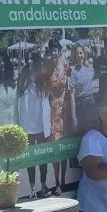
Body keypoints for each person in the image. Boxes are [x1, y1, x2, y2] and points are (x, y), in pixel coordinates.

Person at [17, 55, 51, 197]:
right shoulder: (23, 89)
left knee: (43, 159)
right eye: (30, 70)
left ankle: (43, 186)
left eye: (34, 70)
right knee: (30, 160)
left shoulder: (43, 86)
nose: (32, 73)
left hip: (41, 127)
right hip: (28, 129)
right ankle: (32, 189)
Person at [47, 47, 74, 194]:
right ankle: (56, 182)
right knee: (55, 152)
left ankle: (63, 180)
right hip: (53, 113)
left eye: (56, 49)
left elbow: (70, 88)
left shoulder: (65, 65)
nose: (54, 52)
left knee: (63, 151)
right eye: (52, 50)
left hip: (64, 113)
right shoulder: (48, 68)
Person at [70, 44, 100, 134]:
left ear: (84, 54)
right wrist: (74, 117)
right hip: (81, 105)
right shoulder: (74, 72)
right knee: (84, 133)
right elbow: (72, 94)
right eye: (77, 54)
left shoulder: (90, 68)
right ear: (75, 56)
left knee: (94, 131)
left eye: (81, 53)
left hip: (92, 102)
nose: (79, 56)